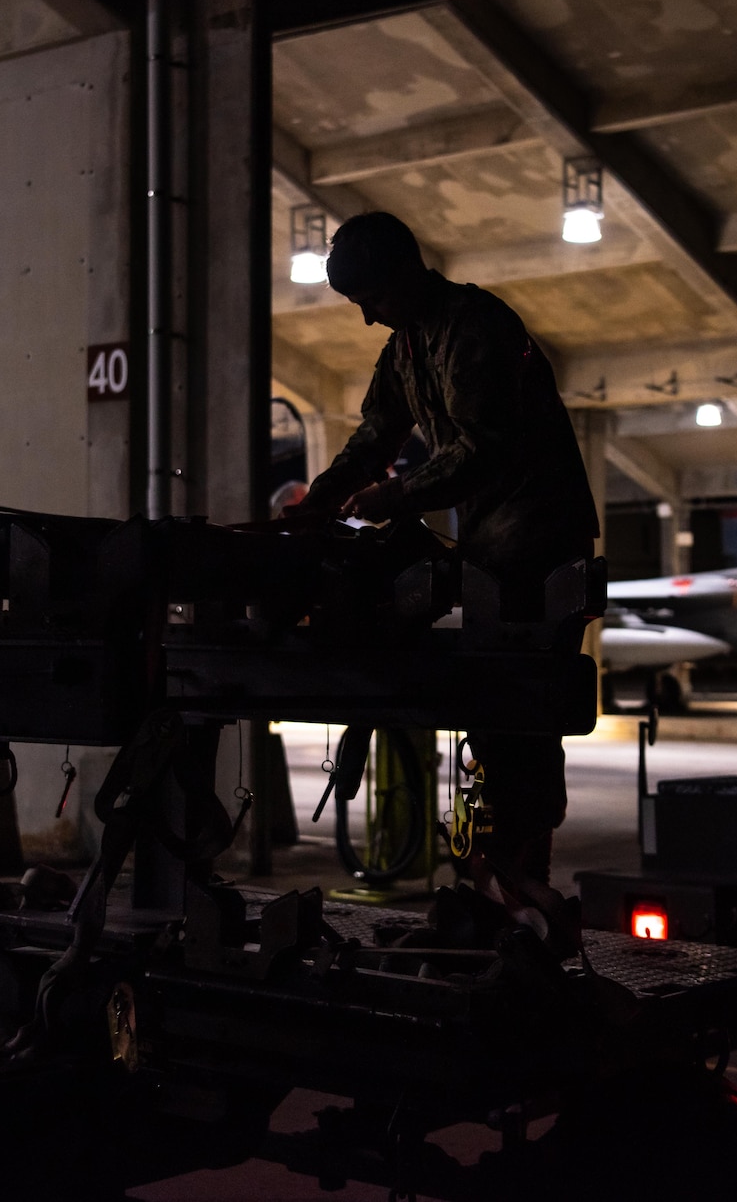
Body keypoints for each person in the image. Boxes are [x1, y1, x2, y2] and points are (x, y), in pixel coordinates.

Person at [291, 211, 597, 943]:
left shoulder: (474, 327)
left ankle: (525, 884)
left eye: (368, 297)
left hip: (540, 546)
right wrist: (324, 496)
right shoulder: (407, 346)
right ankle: (505, 887)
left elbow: (480, 449)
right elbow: (377, 433)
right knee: (497, 722)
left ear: (398, 277)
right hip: (494, 547)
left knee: (522, 717)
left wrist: (393, 496)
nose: (365, 317)